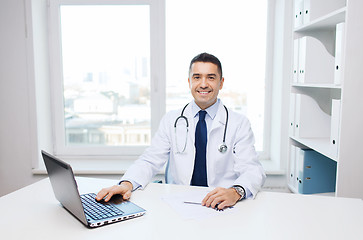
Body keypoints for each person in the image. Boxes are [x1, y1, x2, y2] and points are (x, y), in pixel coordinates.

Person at [96, 53, 266, 210]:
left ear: (221, 83)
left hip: (222, 206)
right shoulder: (172, 120)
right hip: (179, 204)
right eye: (197, 77)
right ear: (189, 82)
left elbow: (252, 170)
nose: (203, 84)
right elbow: (150, 160)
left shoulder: (238, 123)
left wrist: (235, 192)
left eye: (211, 77)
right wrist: (127, 184)